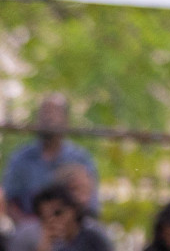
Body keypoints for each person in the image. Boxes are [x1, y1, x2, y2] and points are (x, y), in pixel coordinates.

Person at [2, 94, 98, 222]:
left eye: (54, 112)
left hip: (72, 228)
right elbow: (9, 201)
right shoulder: (21, 158)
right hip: (31, 225)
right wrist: (29, 225)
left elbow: (91, 203)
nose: (48, 117)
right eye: (44, 112)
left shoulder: (81, 159)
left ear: (66, 119)